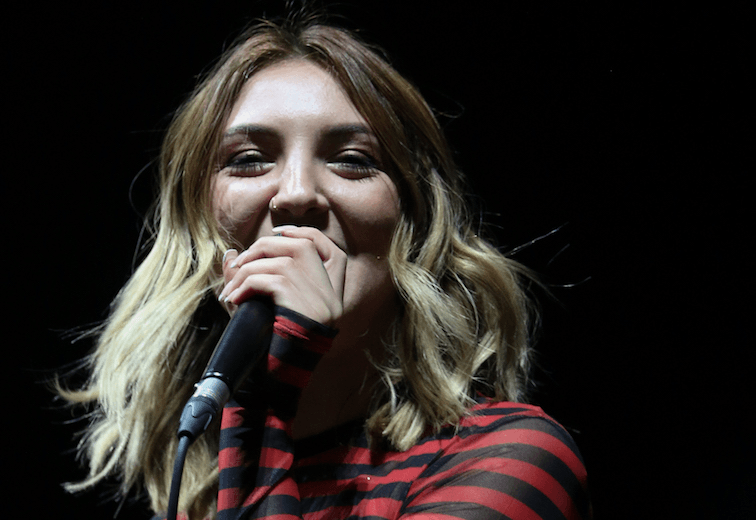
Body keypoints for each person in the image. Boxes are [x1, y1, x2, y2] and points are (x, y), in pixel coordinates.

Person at [58, 14, 591, 520]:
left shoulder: (512, 459)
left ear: (416, 224)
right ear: (197, 227)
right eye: (248, 159)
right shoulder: (194, 501)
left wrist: (269, 388)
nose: (295, 195)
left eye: (352, 159)